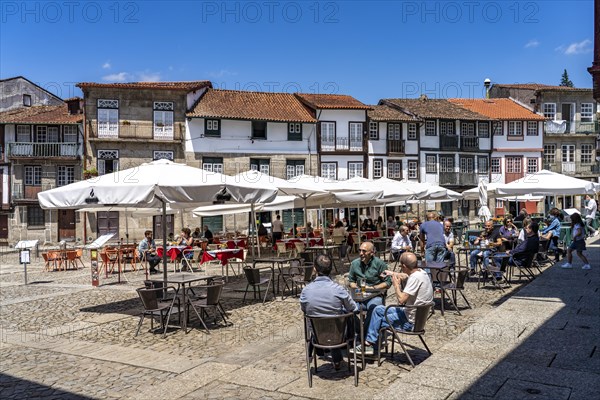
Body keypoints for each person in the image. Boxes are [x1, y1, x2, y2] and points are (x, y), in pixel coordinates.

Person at [353, 252, 433, 355]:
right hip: (416, 316)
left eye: (401, 266)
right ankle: (369, 341)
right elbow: (405, 275)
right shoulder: (422, 273)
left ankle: (370, 346)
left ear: (404, 266)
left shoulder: (414, 278)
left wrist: (396, 285)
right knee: (378, 309)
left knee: (378, 321)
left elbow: (401, 300)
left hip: (410, 322)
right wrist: (392, 273)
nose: (400, 268)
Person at [300, 254, 358, 370]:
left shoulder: (306, 291)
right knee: (336, 322)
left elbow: (304, 309)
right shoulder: (338, 290)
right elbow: (353, 308)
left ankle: (315, 352)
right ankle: (341, 358)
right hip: (338, 335)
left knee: (323, 323)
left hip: (317, 335)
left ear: (315, 269)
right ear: (331, 269)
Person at [348, 241, 391, 329]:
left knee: (374, 308)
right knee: (347, 309)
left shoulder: (380, 264)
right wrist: (357, 288)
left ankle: (366, 333)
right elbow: (351, 281)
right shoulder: (355, 264)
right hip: (359, 295)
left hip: (375, 296)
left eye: (364, 251)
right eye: (359, 251)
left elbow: (387, 282)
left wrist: (372, 288)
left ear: (372, 253)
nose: (361, 253)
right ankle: (358, 330)